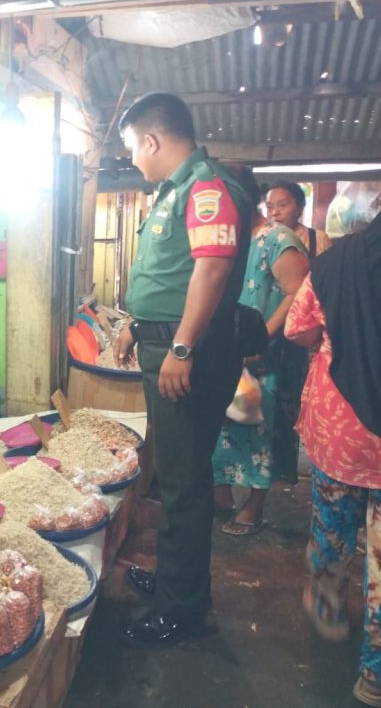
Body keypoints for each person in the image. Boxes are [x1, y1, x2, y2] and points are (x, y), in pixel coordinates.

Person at [113, 93, 252, 646]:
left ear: (151, 140)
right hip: (166, 343)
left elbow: (211, 272)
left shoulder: (207, 188)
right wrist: (136, 324)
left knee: (184, 481)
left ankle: (182, 609)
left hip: (187, 354)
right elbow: (170, 277)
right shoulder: (176, 191)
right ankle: (177, 580)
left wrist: (183, 348)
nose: (132, 159)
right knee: (177, 474)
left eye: (132, 148)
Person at [286, 181, 381, 707]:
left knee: (333, 525)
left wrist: (340, 335)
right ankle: (378, 675)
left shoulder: (337, 261)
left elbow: (298, 328)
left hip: (342, 428)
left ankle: (329, 610)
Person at [212, 170, 309, 536]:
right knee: (224, 427)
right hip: (229, 354)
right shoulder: (232, 238)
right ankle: (222, 497)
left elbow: (299, 292)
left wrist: (261, 339)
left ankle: (253, 508)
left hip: (266, 358)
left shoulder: (278, 238)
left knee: (258, 431)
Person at [265, 180, 332, 259]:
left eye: (282, 205)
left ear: (300, 207)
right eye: (269, 207)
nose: (274, 212)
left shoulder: (318, 239)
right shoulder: (260, 241)